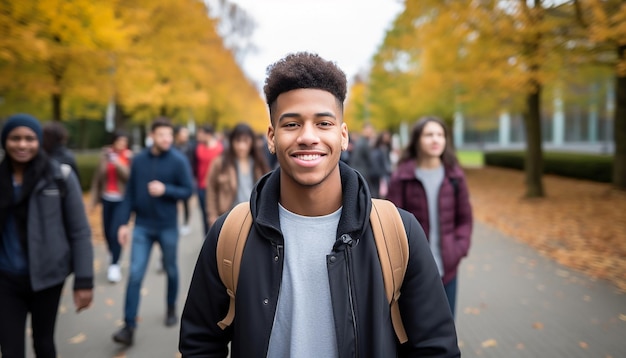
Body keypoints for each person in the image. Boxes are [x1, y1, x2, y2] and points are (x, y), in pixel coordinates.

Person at [179, 52, 459, 357]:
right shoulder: (230, 234)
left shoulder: (397, 232)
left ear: (343, 135)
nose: (308, 137)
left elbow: (436, 348)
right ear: (271, 138)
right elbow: (200, 342)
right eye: (291, 125)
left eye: (323, 123)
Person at [0, 114, 94, 357]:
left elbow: (79, 230)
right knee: (10, 349)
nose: (22, 145)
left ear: (39, 141)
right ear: (5, 141)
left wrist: (84, 280)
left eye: (29, 139)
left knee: (44, 343)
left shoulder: (59, 176)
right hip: (5, 278)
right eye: (15, 138)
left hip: (48, 278)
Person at [112, 117, 193, 346]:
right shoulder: (138, 161)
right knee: (135, 274)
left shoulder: (178, 161)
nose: (167, 139)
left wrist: (165, 189)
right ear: (152, 136)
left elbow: (188, 190)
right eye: (162, 135)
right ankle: (128, 326)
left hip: (168, 226)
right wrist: (122, 223)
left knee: (171, 270)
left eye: (169, 135)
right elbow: (129, 194)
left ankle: (170, 307)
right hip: (142, 226)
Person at [386, 116, 473, 317]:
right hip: (413, 271)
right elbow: (391, 223)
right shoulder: (402, 177)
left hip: (448, 270)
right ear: (417, 139)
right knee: (415, 332)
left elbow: (465, 219)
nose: (435, 140)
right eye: (429, 135)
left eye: (440, 135)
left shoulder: (455, 177)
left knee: (447, 329)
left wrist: (459, 249)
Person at [206, 123, 271, 227]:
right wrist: (212, 216)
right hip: (227, 217)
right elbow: (211, 190)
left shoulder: (259, 163)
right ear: (231, 142)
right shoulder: (220, 163)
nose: (241, 146)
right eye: (238, 141)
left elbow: (268, 190)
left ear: (251, 142)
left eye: (245, 141)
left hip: (254, 218)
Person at [89, 131, 133, 283]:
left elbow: (129, 176)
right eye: (120, 141)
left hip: (123, 200)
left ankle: (114, 265)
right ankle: (112, 253)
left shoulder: (129, 157)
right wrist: (92, 202)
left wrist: (117, 162)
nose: (122, 144)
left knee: (116, 232)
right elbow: (97, 179)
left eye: (125, 141)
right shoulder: (105, 156)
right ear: (113, 142)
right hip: (107, 198)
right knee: (107, 232)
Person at [193, 125, 223, 237]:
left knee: (216, 212)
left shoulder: (220, 149)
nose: (199, 136)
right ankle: (207, 237)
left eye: (201, 133)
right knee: (204, 214)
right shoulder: (198, 148)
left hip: (215, 187)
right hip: (201, 186)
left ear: (208, 134)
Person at [174, 126, 195, 236]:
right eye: (183, 133)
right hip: (174, 178)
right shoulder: (173, 147)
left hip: (186, 177)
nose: (185, 136)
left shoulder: (190, 147)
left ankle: (186, 223)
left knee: (186, 202)